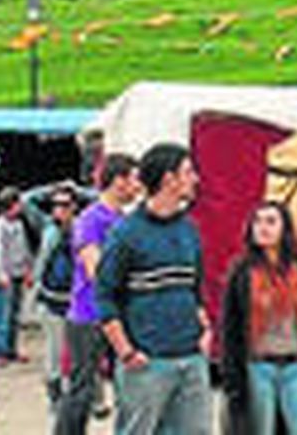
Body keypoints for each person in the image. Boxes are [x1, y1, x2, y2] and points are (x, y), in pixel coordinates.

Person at [95, 143, 213, 435]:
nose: (196, 179)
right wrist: (126, 352)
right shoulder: (125, 234)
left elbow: (195, 288)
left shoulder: (189, 229)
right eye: (188, 172)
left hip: (191, 358)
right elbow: (105, 297)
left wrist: (205, 331)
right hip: (146, 363)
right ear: (168, 179)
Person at [219, 201, 297, 435]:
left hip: (296, 367)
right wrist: (230, 374)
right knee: (261, 430)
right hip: (258, 367)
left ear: (284, 228)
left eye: (271, 221)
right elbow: (229, 326)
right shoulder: (242, 271)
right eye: (257, 221)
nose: (263, 227)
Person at [55, 155, 141, 435]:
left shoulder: (123, 219)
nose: (138, 187)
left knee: (126, 385)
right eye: (134, 179)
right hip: (88, 315)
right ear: (118, 181)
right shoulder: (91, 219)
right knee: (82, 389)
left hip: (116, 316)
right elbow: (96, 271)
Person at [28, 182, 80, 408]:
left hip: (76, 299)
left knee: (80, 351)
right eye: (56, 205)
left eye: (65, 204)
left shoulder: (83, 227)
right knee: (54, 351)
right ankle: (55, 392)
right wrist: (51, 188)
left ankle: (82, 395)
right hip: (51, 299)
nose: (60, 209)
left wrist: (76, 189)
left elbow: (102, 198)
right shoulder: (47, 228)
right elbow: (26, 200)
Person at [0, 186, 34, 366]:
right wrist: (1, 273)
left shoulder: (19, 224)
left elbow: (24, 248)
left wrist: (28, 269)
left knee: (15, 313)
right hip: (5, 275)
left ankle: (11, 349)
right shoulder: (0, 225)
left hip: (18, 272)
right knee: (3, 314)